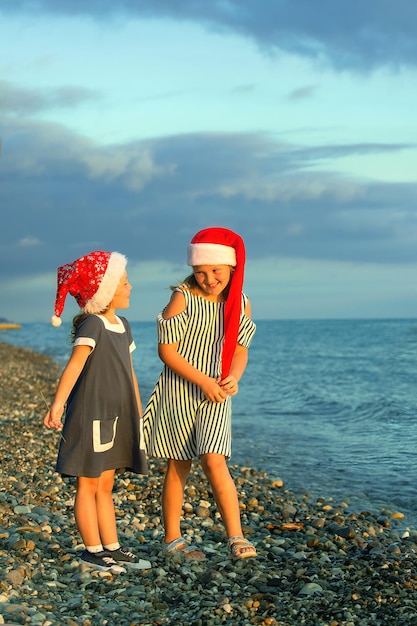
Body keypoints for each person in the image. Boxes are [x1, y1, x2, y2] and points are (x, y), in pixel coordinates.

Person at [144, 227, 257, 560]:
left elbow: (240, 350)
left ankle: (235, 536)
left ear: (232, 268)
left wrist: (234, 377)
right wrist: (202, 380)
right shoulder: (183, 296)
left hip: (216, 394)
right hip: (180, 389)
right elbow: (167, 351)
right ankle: (173, 540)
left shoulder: (241, 302)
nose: (209, 279)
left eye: (216, 271)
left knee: (214, 459)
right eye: (201, 271)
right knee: (179, 463)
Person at [44, 250, 151, 573]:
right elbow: (75, 366)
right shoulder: (92, 323)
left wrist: (138, 409)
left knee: (106, 484)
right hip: (91, 414)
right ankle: (92, 550)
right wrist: (57, 405)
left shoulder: (123, 324)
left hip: (119, 415)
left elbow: (129, 371)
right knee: (88, 484)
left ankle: (112, 547)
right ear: (104, 290)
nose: (130, 287)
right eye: (125, 282)